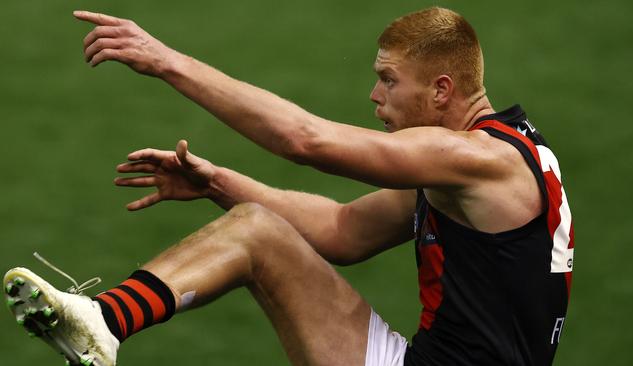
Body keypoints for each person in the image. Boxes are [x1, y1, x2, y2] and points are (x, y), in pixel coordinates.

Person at [3, 6, 574, 366]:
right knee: (255, 231)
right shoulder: (484, 162)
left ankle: (102, 322)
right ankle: (103, 322)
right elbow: (343, 231)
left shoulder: (475, 158)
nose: (375, 97)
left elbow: (306, 141)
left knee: (256, 234)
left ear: (443, 89)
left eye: (388, 80)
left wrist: (166, 62)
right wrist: (218, 183)